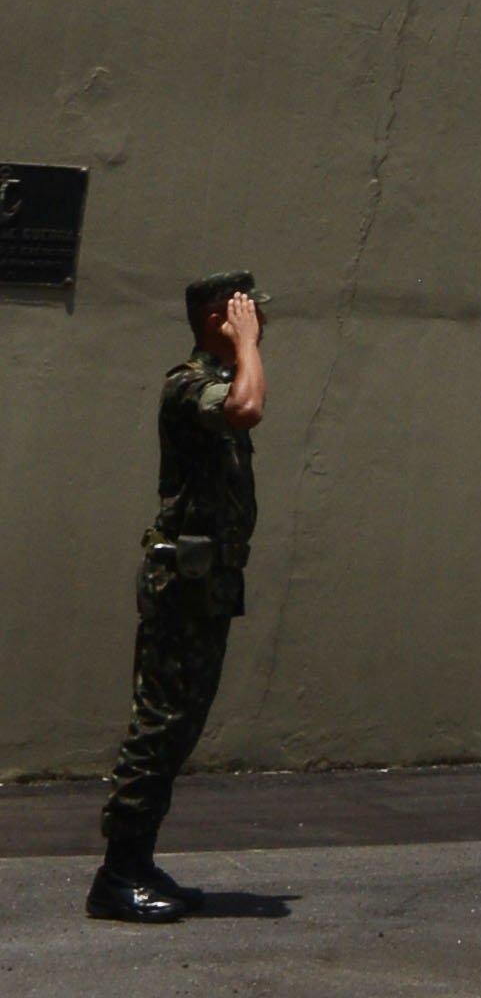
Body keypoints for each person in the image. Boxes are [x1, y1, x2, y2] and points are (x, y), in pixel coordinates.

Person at [89, 274, 268, 924]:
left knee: (179, 725)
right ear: (219, 316)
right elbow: (248, 407)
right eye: (249, 312)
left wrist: (243, 345)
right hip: (182, 586)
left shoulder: (216, 380)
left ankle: (138, 859)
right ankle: (117, 873)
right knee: (159, 723)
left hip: (208, 584)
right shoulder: (191, 382)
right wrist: (245, 344)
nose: (261, 323)